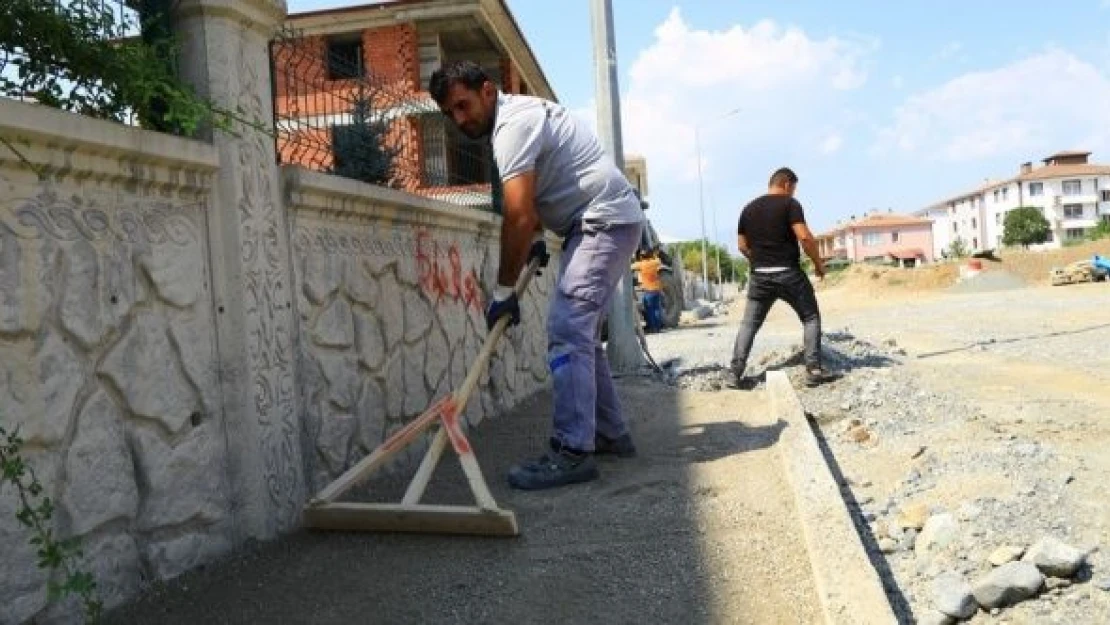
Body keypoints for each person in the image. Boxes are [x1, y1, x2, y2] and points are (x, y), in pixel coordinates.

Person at [429, 61, 645, 491]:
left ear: (487, 91)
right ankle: (607, 432)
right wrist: (538, 238)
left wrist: (504, 290)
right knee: (580, 334)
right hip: (595, 222)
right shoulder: (515, 120)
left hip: (601, 221)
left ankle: (571, 450)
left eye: (463, 105)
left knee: (566, 330)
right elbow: (547, 188)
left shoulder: (512, 126)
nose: (459, 119)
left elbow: (518, 213)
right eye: (450, 113)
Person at [729, 167, 838, 389]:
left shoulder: (748, 209)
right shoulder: (790, 204)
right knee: (810, 317)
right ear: (787, 184)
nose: (794, 193)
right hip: (789, 273)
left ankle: (734, 373)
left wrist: (759, 261)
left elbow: (741, 245)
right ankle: (814, 369)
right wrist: (818, 264)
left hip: (759, 277)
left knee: (749, 324)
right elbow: (805, 237)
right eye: (794, 189)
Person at [631, 249, 665, 332]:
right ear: (650, 255)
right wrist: (655, 255)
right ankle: (658, 327)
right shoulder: (655, 263)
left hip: (648, 290)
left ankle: (652, 328)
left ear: (641, 257)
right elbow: (659, 260)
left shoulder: (641, 264)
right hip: (656, 289)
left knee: (649, 310)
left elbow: (630, 267)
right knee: (656, 309)